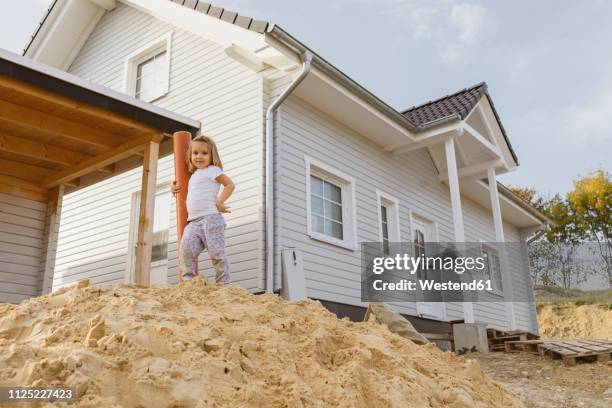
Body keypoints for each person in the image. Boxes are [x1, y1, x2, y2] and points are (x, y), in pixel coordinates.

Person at [172, 135, 235, 284]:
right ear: (190, 155)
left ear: (211, 155)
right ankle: (190, 282)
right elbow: (189, 193)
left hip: (210, 218)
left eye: (204, 153)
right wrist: (173, 187)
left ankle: (223, 283)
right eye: (195, 153)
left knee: (217, 253)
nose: (199, 156)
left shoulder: (212, 170)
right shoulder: (193, 175)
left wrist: (220, 201)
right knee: (186, 250)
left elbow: (230, 184)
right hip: (193, 222)